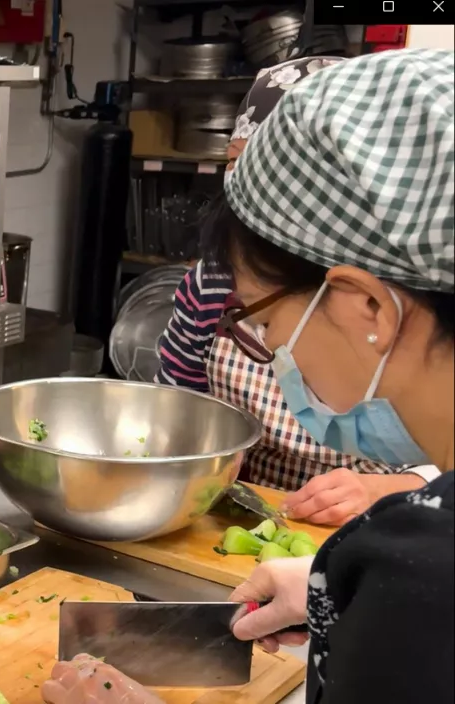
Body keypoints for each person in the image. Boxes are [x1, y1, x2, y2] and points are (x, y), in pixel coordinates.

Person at [44, 49, 454, 703]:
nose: (267, 346)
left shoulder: (420, 589)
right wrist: (333, 588)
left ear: (367, 308)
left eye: (263, 319)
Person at [154, 55, 439, 526]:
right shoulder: (213, 285)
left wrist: (395, 488)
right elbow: (173, 411)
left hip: (382, 525)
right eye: (233, 168)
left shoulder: (421, 309)